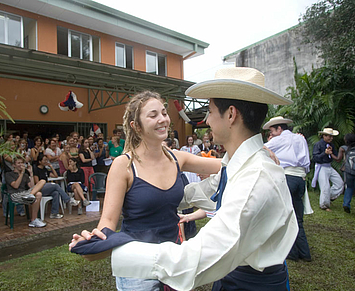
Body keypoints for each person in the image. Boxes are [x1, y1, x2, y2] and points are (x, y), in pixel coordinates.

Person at [70, 67, 298, 291]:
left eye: (209, 111)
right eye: (153, 115)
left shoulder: (253, 176)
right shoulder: (241, 166)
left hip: (240, 278)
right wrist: (99, 238)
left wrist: (116, 249)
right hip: (163, 275)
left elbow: (198, 257)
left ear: (230, 115)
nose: (206, 121)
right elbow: (210, 186)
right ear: (136, 126)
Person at [71, 91, 221, 290]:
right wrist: (92, 240)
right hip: (137, 266)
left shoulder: (177, 158)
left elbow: (223, 165)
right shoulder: (123, 165)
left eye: (164, 113)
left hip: (173, 261)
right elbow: (108, 221)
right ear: (136, 126)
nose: (163, 120)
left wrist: (256, 154)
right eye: (153, 115)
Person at [263, 116, 312, 262]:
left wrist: (267, 146)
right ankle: (304, 252)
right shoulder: (300, 138)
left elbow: (258, 147)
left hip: (287, 177)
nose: (272, 134)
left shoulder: (280, 139)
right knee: (297, 216)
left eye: (273, 130)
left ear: (279, 128)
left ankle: (292, 252)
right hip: (300, 178)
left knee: (285, 215)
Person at [33, 154, 79, 219]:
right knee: (56, 186)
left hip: (46, 188)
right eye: (44, 160)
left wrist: (51, 167)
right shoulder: (36, 170)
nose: (46, 161)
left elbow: (55, 176)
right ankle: (68, 199)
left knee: (56, 193)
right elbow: (37, 182)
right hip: (40, 188)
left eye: (46, 160)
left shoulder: (45, 170)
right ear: (40, 161)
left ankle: (54, 213)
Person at [5, 157, 46, 228]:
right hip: (15, 194)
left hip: (25, 193)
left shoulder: (25, 175)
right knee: (37, 194)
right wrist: (22, 173)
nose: (21, 165)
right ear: (13, 165)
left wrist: (31, 173)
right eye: (18, 163)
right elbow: (15, 186)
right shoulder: (9, 174)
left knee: (40, 187)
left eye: (22, 163)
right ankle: (34, 219)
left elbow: (32, 186)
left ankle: (33, 220)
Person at [312, 128, 344, 211]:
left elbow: (335, 156)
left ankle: (328, 197)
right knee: (325, 186)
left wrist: (331, 153)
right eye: (329, 136)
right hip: (321, 166)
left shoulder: (332, 145)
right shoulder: (318, 145)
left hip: (329, 166)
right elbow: (315, 158)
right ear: (324, 136)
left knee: (339, 183)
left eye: (332, 136)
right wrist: (324, 153)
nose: (331, 138)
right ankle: (324, 205)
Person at [338, 133, 355, 213]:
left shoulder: (344, 148)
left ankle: (346, 203)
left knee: (349, 187)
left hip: (348, 171)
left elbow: (338, 159)